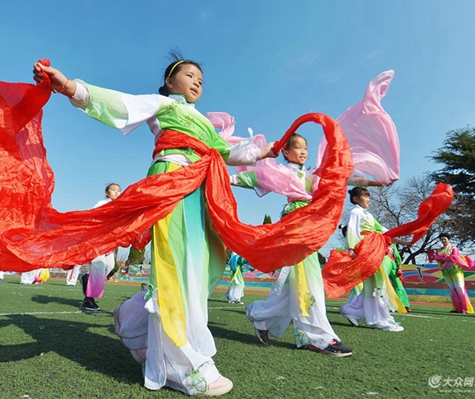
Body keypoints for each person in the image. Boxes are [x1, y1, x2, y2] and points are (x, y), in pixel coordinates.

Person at [33, 56, 277, 396]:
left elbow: (224, 153)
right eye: (189, 75)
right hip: (171, 184)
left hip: (201, 191)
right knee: (176, 268)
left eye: (201, 80)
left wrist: (262, 152)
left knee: (203, 267)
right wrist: (70, 86)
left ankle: (133, 319)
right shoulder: (164, 105)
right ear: (169, 80)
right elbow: (122, 104)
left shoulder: (204, 123)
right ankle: (181, 364)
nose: (196, 83)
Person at [233, 134, 369, 356]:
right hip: (295, 225)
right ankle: (318, 337)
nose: (303, 151)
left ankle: (260, 316)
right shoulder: (281, 172)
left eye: (305, 147)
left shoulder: (311, 174)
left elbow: (338, 178)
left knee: (295, 281)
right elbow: (256, 178)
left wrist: (374, 180)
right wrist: (226, 178)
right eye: (297, 147)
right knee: (309, 277)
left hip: (310, 226)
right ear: (285, 152)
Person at [338, 187, 409, 331]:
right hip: (367, 249)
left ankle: (352, 310)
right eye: (365, 196)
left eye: (369, 196)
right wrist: (352, 249)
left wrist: (403, 241)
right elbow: (352, 230)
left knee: (374, 284)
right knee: (377, 283)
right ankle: (377, 319)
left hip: (374, 248)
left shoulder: (368, 214)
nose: (369, 199)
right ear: (356, 199)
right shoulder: (355, 212)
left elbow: (383, 231)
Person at [79, 183, 122, 311]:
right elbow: (93, 215)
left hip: (109, 242)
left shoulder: (122, 206)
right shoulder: (101, 203)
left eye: (119, 190)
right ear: (106, 193)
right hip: (97, 239)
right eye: (113, 190)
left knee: (110, 266)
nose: (116, 192)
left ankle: (86, 279)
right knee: (99, 264)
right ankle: (89, 299)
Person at [427, 233, 474, 314]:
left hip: (455, 270)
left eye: (444, 239)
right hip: (445, 271)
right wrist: (446, 257)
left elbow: (454, 257)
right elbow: (437, 258)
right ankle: (456, 308)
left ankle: (465, 308)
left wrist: (443, 258)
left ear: (448, 239)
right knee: (452, 289)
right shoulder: (439, 250)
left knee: (460, 288)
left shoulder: (453, 248)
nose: (443, 241)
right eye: (441, 239)